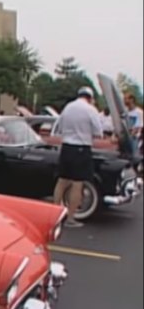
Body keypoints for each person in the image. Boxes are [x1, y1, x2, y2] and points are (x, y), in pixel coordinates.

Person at [52, 87, 103, 228]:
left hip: (66, 147)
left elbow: (59, 127)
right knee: (77, 184)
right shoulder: (90, 109)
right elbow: (98, 131)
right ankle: (70, 218)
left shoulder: (68, 107)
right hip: (81, 148)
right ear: (90, 98)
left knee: (62, 181)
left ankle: (54, 214)